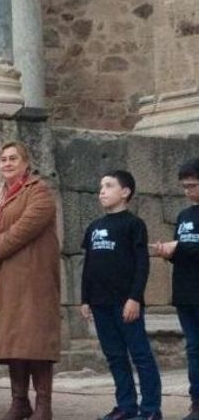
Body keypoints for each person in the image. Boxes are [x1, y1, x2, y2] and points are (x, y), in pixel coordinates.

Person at [0, 141, 60, 420]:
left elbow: (25, 228)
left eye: (13, 158)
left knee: (35, 342)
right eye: (3, 159)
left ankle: (44, 405)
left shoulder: (39, 192)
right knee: (12, 342)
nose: (7, 163)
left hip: (32, 281)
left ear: (26, 163)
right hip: (3, 282)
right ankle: (19, 401)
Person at [81, 170, 161, 420]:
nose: (102, 191)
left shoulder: (134, 225)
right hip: (100, 303)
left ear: (125, 192)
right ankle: (126, 406)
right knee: (115, 356)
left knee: (140, 356)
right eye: (100, 187)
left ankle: (151, 409)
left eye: (109, 186)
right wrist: (85, 299)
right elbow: (88, 265)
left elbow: (142, 264)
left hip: (125, 303)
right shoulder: (94, 227)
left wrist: (134, 298)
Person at [153, 157, 199, 420]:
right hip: (185, 293)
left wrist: (179, 247)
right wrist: (168, 252)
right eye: (184, 187)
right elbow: (182, 252)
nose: (187, 191)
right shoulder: (184, 215)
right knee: (193, 349)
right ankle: (196, 401)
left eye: (192, 185)